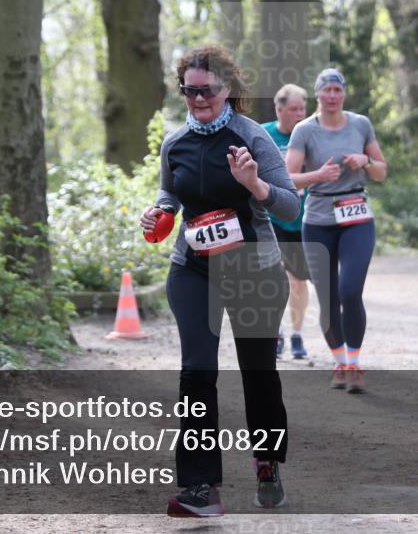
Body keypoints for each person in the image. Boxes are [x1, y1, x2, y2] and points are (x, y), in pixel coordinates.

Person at [140, 45, 299, 517]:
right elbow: (171, 189)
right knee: (197, 372)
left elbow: (291, 207)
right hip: (194, 268)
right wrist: (161, 211)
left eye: (205, 90)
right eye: (188, 90)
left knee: (258, 373)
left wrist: (255, 185)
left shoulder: (252, 137)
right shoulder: (175, 143)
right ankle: (199, 487)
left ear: (227, 89)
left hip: (254, 268)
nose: (196, 99)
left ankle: (267, 461)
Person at [285, 68, 387, 394]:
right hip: (317, 219)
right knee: (328, 298)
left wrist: (366, 162)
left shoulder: (361, 124)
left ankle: (354, 363)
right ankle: (340, 361)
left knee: (350, 290)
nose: (332, 95)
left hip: (356, 214)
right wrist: (317, 175)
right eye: (326, 90)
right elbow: (288, 178)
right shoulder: (304, 130)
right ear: (318, 94)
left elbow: (382, 171)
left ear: (344, 93)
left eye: (337, 90)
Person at [261, 84, 311, 359]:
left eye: (303, 108)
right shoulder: (264, 133)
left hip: (303, 220)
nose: (300, 114)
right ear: (279, 109)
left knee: (298, 282)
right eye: (294, 109)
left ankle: (297, 334)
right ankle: (276, 333)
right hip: (272, 217)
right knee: (274, 277)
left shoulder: (313, 133)